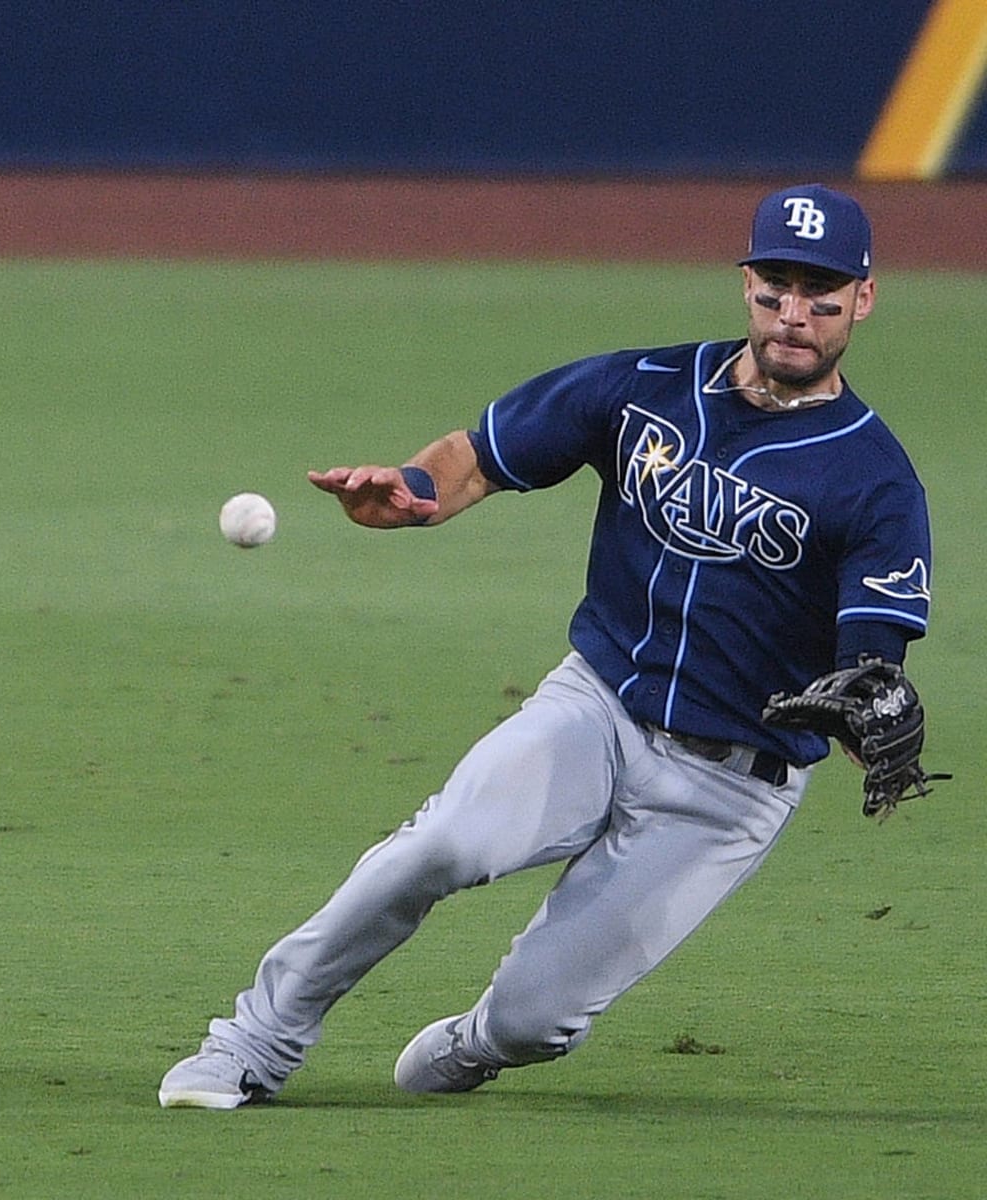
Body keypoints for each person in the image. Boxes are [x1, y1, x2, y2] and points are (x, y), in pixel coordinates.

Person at [158, 183, 934, 1110]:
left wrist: (871, 694)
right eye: (775, 287)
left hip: (728, 791)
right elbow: (478, 455)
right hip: (596, 710)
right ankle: (250, 1044)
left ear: (864, 299)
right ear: (746, 285)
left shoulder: (876, 477)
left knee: (536, 1022)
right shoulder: (645, 387)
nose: (793, 315)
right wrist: (411, 490)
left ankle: (475, 1044)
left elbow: (873, 648)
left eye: (822, 293)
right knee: (434, 849)